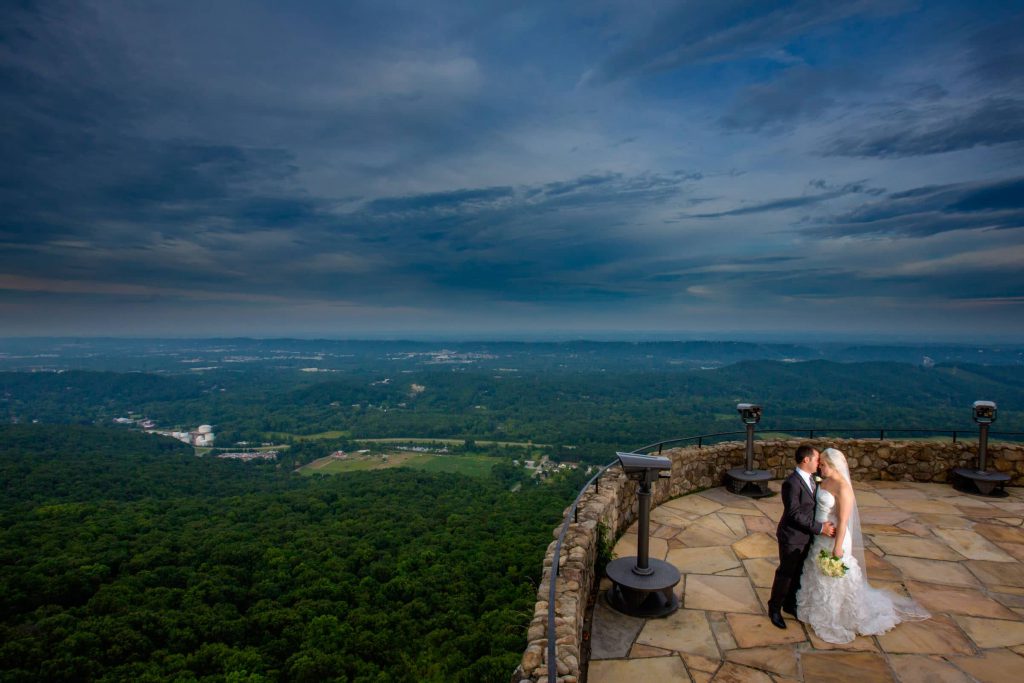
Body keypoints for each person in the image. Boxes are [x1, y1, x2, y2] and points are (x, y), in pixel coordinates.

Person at [795, 447, 929, 643]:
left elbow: (842, 520)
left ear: (833, 466)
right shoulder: (824, 480)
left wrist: (838, 547)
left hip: (835, 537)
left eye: (822, 465)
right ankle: (817, 610)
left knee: (836, 577)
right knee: (817, 572)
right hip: (820, 534)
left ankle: (838, 615)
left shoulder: (843, 488)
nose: (819, 468)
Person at [769, 445, 835, 629]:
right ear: (806, 460)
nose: (818, 464)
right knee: (786, 573)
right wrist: (820, 528)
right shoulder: (791, 483)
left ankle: (789, 605)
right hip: (792, 536)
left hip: (807, 536)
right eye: (816, 460)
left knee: (798, 572)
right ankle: (774, 608)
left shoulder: (814, 478)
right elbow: (794, 513)